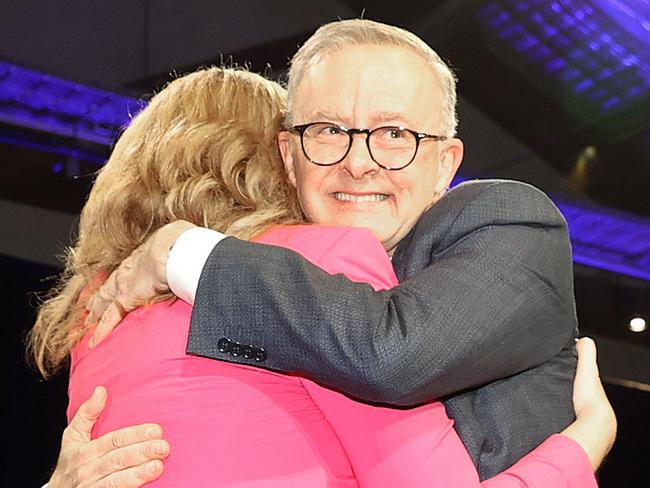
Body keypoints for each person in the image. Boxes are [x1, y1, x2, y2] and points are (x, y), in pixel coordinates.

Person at [43, 19, 616, 486]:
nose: (358, 161)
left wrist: (179, 249)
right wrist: (579, 449)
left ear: (447, 162)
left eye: (395, 133)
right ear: (286, 159)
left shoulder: (504, 222)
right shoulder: (308, 268)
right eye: (328, 130)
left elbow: (391, 354)